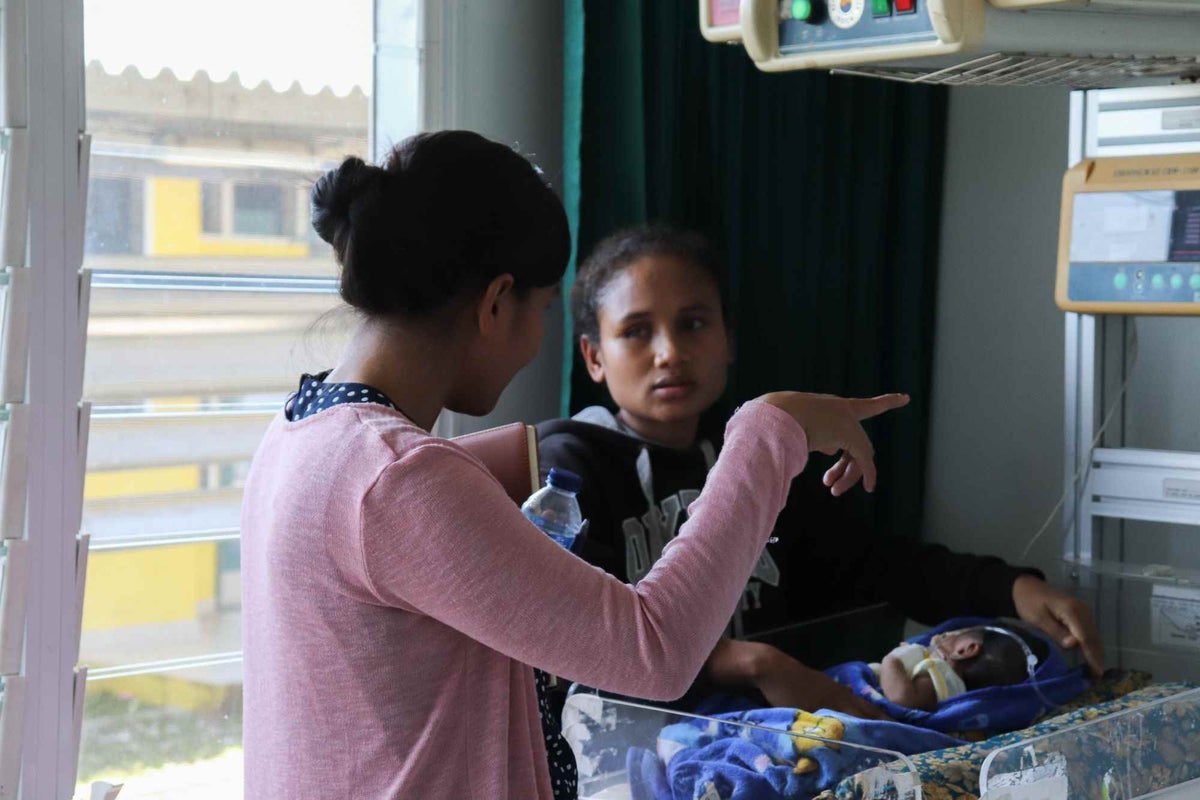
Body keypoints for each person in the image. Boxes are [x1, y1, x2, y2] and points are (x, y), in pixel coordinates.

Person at [239, 131, 908, 800]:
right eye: (545, 310)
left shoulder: (302, 433)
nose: (535, 343)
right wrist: (770, 431)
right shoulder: (399, 481)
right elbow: (654, 651)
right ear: (497, 303)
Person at [536, 224, 1105, 720]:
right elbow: (585, 635)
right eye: (636, 331)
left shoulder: (756, 459)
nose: (669, 353)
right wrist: (753, 664)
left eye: (694, 324)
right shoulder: (568, 470)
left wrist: (1012, 588)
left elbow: (876, 564)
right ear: (593, 356)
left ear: (728, 339)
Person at [875, 624, 1047, 710]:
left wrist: (894, 659)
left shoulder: (943, 675)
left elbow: (901, 697)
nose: (937, 637)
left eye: (948, 635)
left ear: (965, 649)